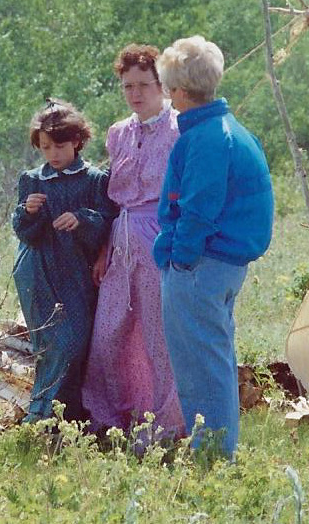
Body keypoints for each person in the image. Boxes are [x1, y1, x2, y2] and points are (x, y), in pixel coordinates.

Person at [153, 36, 274, 458]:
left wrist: (179, 260)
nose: (167, 96)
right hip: (223, 265)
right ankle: (219, 451)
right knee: (214, 363)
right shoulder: (231, 129)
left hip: (201, 266)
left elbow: (198, 209)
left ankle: (211, 457)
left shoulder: (205, 136)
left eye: (168, 88)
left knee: (198, 368)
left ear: (180, 92)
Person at [81, 44, 185, 442]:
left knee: (159, 335)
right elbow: (112, 198)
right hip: (121, 237)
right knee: (110, 332)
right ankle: (110, 418)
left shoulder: (178, 130)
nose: (135, 93)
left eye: (143, 84)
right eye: (127, 86)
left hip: (159, 234)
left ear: (162, 85)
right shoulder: (118, 133)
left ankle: (166, 425)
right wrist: (105, 248)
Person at [12, 100, 117, 423]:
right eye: (45, 147)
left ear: (77, 141)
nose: (53, 154)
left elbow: (106, 223)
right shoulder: (32, 179)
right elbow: (23, 232)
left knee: (74, 341)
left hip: (76, 272)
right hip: (38, 271)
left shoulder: (94, 180)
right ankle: (44, 417)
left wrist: (82, 220)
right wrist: (27, 212)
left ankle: (67, 415)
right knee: (48, 343)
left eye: (59, 145)